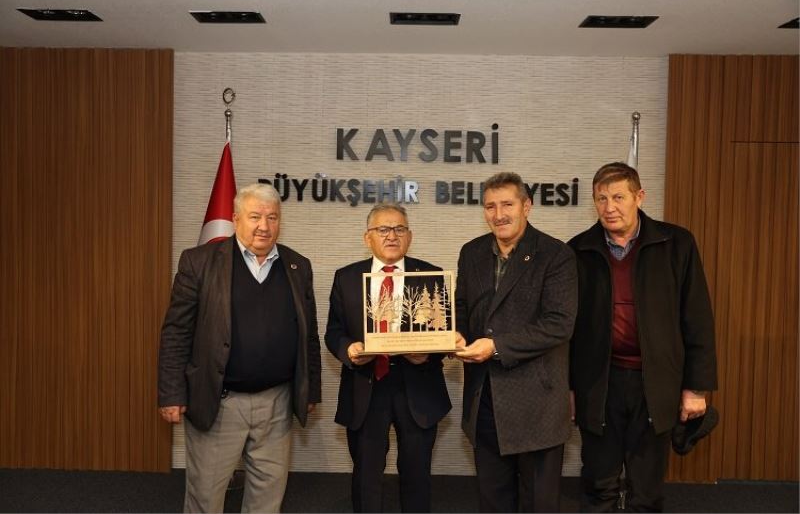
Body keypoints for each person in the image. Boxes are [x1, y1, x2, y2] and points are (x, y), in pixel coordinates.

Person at [157, 183, 322, 513]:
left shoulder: (297, 265)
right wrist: (171, 393)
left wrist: (311, 389)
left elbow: (308, 334)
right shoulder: (199, 262)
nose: (264, 225)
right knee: (206, 497)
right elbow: (177, 332)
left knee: (267, 496)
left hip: (277, 402)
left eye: (272, 217)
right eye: (255, 216)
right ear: (235, 219)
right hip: (220, 401)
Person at [568, 162, 717, 512]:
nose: (609, 207)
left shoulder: (676, 244)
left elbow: (697, 319)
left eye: (618, 197)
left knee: (646, 491)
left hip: (657, 384)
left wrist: (696, 388)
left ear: (639, 197)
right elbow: (569, 330)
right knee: (598, 484)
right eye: (601, 198)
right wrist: (569, 388)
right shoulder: (578, 250)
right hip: (598, 384)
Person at [454, 172, 578, 512]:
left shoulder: (556, 255)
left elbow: (559, 325)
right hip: (484, 399)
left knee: (539, 503)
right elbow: (461, 307)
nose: (499, 214)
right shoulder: (472, 252)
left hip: (536, 402)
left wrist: (495, 347)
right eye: (490, 206)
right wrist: (458, 333)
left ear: (527, 206)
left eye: (507, 204)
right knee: (493, 500)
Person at [325, 203, 452, 512]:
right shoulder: (346, 277)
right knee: (366, 476)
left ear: (410, 236)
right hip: (366, 387)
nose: (392, 236)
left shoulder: (431, 275)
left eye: (399, 229)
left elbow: (444, 332)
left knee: (417, 474)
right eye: (383, 229)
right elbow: (334, 331)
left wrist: (428, 355)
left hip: (418, 387)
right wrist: (349, 350)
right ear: (367, 237)